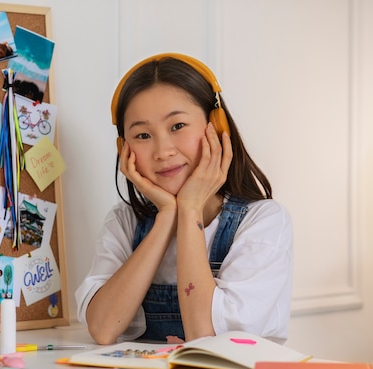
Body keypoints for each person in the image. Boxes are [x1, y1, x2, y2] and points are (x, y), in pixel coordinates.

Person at [75, 53, 293, 345]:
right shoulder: (124, 222)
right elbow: (103, 328)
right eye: (142, 135)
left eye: (177, 126)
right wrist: (167, 215)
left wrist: (189, 208)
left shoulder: (263, 222)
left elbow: (205, 336)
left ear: (216, 127)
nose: (163, 151)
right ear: (124, 148)